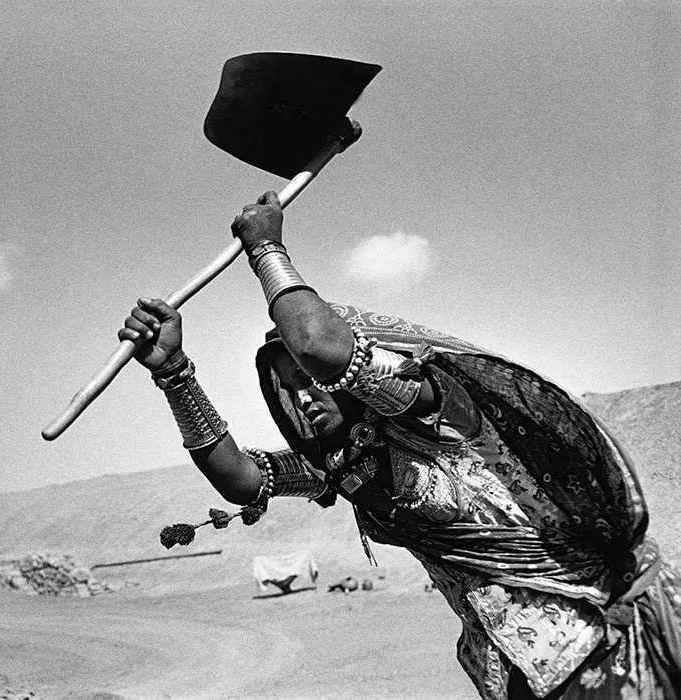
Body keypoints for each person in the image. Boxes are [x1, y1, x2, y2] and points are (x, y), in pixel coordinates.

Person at [118, 190, 681, 699]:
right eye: (289, 389)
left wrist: (267, 251)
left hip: (601, 643)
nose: (304, 397)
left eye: (310, 381)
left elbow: (317, 342)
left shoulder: (436, 408)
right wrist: (173, 372)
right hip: (517, 676)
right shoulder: (341, 465)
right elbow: (241, 478)